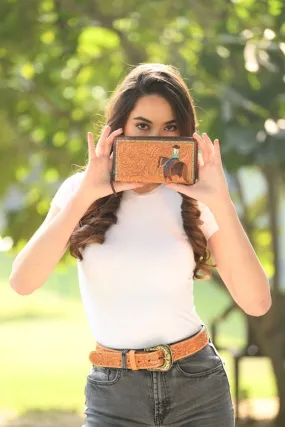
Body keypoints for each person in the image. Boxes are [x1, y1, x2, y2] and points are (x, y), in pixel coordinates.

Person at [10, 63, 272, 427]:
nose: (156, 141)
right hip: (114, 393)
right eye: (142, 127)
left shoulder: (196, 199)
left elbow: (257, 303)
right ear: (120, 128)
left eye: (170, 129)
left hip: (198, 385)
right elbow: (23, 282)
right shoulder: (79, 192)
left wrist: (221, 201)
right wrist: (88, 191)